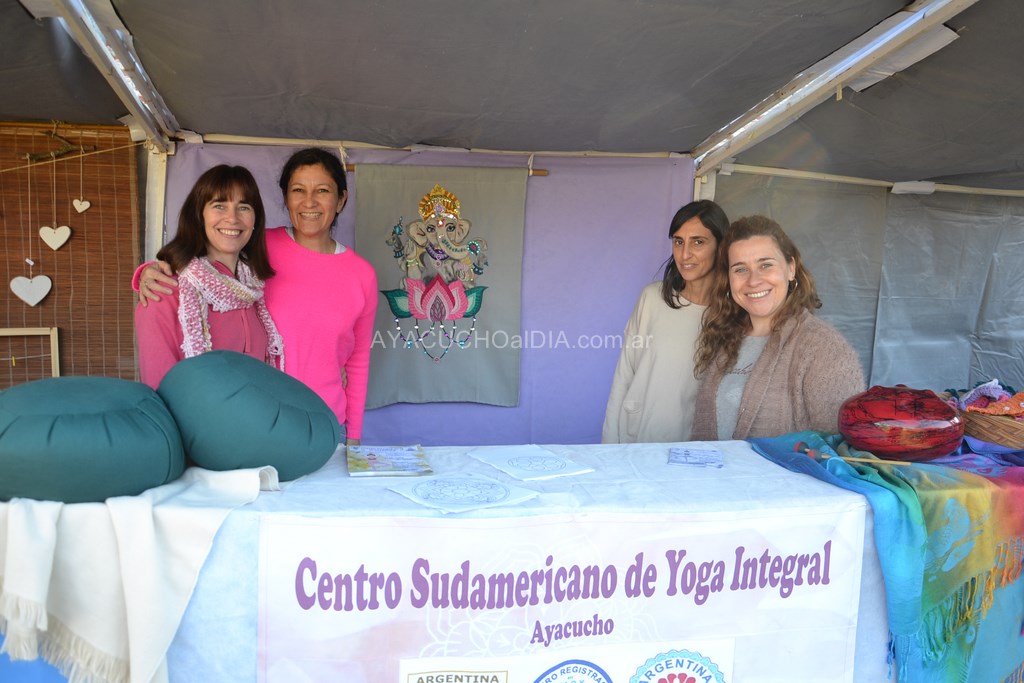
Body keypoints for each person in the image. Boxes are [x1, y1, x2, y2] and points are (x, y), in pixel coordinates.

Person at [137, 148, 377, 445]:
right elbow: (197, 260)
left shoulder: (361, 274)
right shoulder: (256, 244)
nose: (309, 202)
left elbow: (358, 361)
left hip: (326, 422)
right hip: (262, 424)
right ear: (285, 198)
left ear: (341, 199)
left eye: (323, 190)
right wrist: (150, 271)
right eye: (298, 190)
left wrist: (354, 435)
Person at [691, 214, 865, 440]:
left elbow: (838, 448)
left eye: (765, 265)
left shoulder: (824, 348)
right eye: (740, 269)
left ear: (791, 268)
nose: (753, 280)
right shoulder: (725, 337)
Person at [135, 164, 283, 388]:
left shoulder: (255, 290)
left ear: (255, 220)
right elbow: (158, 390)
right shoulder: (163, 291)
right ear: (199, 215)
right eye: (219, 206)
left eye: (243, 207)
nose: (232, 218)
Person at [602, 200, 729, 443]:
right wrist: (608, 446)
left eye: (698, 242)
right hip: (636, 439)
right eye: (678, 241)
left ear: (720, 246)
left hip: (693, 448)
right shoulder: (652, 298)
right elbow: (623, 376)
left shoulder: (731, 316)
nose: (685, 254)